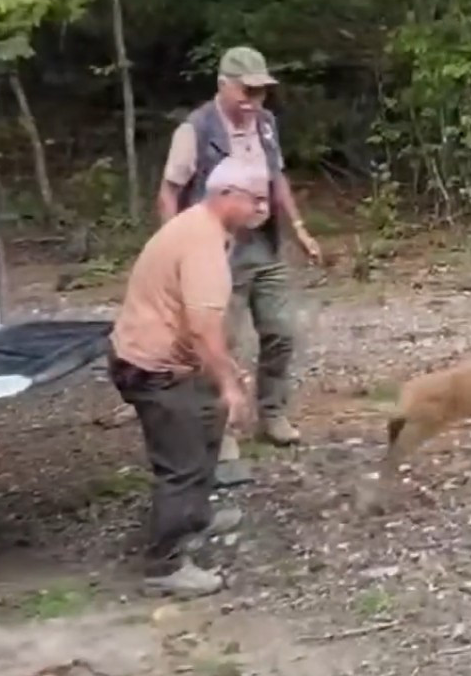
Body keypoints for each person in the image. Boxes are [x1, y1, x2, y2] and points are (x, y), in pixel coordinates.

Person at [156, 45, 322, 484]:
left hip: (263, 246)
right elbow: (169, 191)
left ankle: (272, 413)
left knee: (282, 331)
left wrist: (299, 229)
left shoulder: (266, 125)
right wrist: (176, 249)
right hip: (217, 250)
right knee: (217, 344)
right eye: (246, 90)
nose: (254, 100)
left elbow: (277, 178)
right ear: (224, 85)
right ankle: (222, 432)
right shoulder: (195, 130)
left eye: (262, 91)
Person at [108, 157, 271, 597]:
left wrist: (221, 375)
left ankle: (195, 515)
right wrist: (230, 385)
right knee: (181, 463)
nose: (263, 206)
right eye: (254, 198)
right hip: (152, 367)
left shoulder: (206, 230)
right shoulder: (200, 242)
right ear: (224, 195)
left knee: (205, 428)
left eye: (265, 197)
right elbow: (202, 325)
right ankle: (164, 565)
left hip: (175, 360)